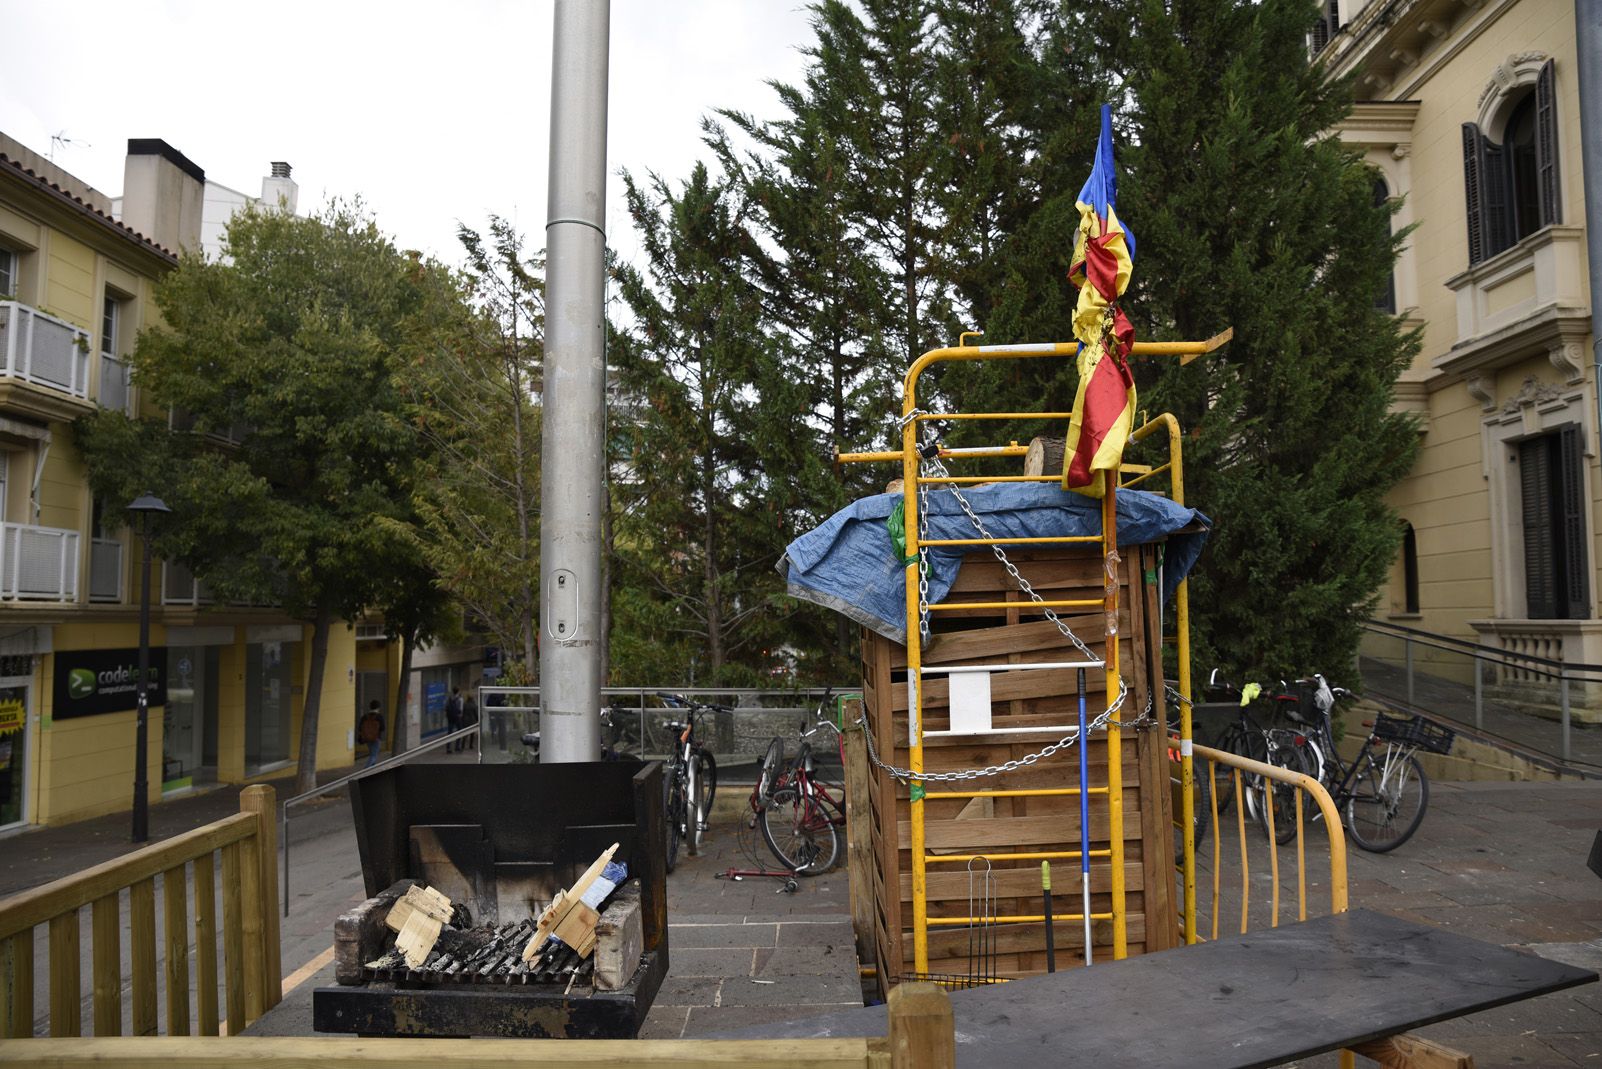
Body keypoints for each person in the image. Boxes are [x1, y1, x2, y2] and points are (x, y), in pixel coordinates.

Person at [358, 701, 385, 767]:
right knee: (373, 755)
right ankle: (365, 771)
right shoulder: (379, 717)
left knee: (372, 753)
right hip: (376, 738)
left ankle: (372, 770)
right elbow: (383, 728)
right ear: (378, 708)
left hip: (367, 738)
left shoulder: (365, 717)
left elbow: (359, 728)